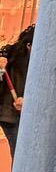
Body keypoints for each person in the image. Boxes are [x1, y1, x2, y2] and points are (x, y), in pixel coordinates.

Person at [0, 24, 32, 156]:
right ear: (28, 45)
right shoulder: (16, 58)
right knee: (20, 152)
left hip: (21, 113)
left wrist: (27, 100)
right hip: (10, 114)